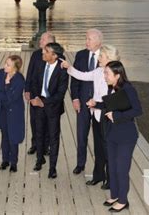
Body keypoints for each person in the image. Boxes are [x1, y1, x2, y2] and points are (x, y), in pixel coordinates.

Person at [61, 44, 120, 189]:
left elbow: (113, 99)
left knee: (108, 149)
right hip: (97, 115)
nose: (98, 58)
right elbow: (82, 75)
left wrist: (96, 103)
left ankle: (111, 180)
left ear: (109, 58)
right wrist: (68, 67)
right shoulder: (99, 71)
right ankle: (98, 175)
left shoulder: (116, 74)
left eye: (101, 56)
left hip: (108, 118)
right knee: (99, 147)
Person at [89, 61, 143, 212]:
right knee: (112, 166)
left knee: (121, 168)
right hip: (112, 133)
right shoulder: (111, 87)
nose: (104, 76)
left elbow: (138, 111)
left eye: (107, 73)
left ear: (117, 75)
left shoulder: (129, 89)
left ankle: (123, 200)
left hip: (126, 135)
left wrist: (117, 115)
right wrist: (95, 104)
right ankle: (114, 195)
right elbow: (110, 105)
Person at [30, 42, 69, 179]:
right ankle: (40, 159)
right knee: (39, 133)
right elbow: (34, 82)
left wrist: (44, 102)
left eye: (46, 51)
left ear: (54, 55)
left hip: (53, 108)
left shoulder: (62, 69)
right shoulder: (40, 64)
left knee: (53, 138)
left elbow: (60, 93)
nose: (42, 53)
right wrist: (35, 97)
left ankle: (52, 168)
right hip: (38, 106)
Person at [70, 28, 103, 175]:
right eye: (86, 38)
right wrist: (75, 98)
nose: (86, 42)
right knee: (81, 135)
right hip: (82, 102)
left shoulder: (105, 56)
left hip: (99, 104)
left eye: (89, 39)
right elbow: (75, 78)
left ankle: (99, 168)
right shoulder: (81, 55)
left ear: (98, 41)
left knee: (99, 138)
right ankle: (80, 164)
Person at [24, 32, 55, 155]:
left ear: (50, 41)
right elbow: (29, 72)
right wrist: (27, 89)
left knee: (47, 121)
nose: (40, 41)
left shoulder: (56, 56)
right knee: (34, 120)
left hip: (48, 95)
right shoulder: (36, 54)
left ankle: (46, 146)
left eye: (42, 39)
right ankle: (35, 144)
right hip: (35, 92)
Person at [0, 55, 26, 172]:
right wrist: (5, 96)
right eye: (5, 63)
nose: (4, 66)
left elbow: (13, 97)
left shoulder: (20, 79)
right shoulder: (1, 73)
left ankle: (14, 163)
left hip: (14, 112)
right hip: (2, 110)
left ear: (15, 68)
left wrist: (7, 85)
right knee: (5, 136)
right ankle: (5, 160)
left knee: (13, 137)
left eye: (8, 65)